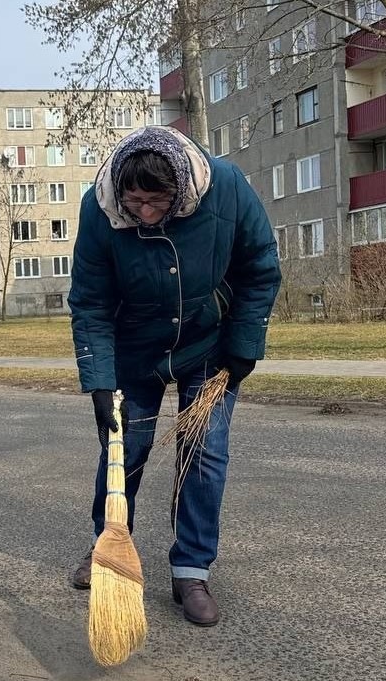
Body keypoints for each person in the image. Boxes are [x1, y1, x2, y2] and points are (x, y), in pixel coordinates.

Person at [67, 126, 281, 626]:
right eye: (135, 201)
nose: (144, 213)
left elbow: (260, 268)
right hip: (134, 346)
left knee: (204, 451)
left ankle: (191, 570)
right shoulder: (99, 207)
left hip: (208, 342)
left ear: (179, 188)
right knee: (124, 448)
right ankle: (108, 546)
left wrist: (244, 345)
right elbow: (91, 302)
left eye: (156, 201)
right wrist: (99, 381)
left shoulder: (226, 187)